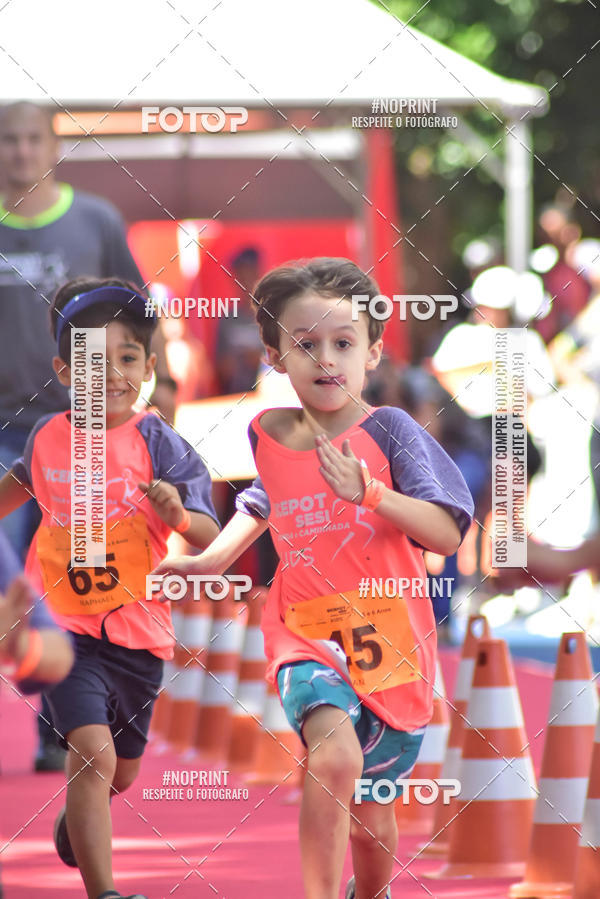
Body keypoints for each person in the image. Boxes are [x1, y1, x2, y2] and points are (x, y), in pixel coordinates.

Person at [153, 258, 474, 899]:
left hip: (393, 643)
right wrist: (208, 561)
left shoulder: (392, 432)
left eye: (343, 343)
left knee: (373, 818)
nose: (326, 359)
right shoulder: (268, 433)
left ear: (373, 352)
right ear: (274, 356)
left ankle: (370, 891)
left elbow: (446, 533)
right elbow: (265, 501)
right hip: (305, 633)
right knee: (333, 759)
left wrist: (371, 494)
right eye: (305, 345)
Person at [0, 277, 220, 899]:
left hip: (140, 632)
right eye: (95, 360)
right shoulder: (46, 439)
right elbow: (13, 493)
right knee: (91, 754)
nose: (113, 374)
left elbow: (207, 533)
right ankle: (107, 893)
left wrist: (177, 514)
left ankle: (81, 814)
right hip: (64, 629)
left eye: (127, 358)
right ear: (66, 371)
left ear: (149, 367)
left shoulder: (160, 443)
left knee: (118, 773)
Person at [0, 100, 178, 772]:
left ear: (52, 148)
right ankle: (41, 658)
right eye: (7, 141)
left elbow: (136, 317)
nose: (19, 152)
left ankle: (60, 724)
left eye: (30, 140)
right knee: (9, 568)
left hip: (82, 429)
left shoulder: (95, 221)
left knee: (70, 577)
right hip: (3, 429)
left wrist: (157, 397)